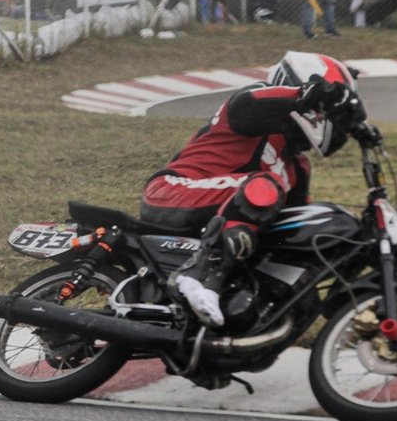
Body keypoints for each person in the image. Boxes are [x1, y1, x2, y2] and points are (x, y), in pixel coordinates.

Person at [138, 51, 364, 328]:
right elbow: (248, 103)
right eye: (326, 108)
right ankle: (196, 277)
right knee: (263, 186)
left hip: (214, 209)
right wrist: (303, 94)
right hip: (172, 191)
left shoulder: (298, 166)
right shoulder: (253, 111)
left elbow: (291, 227)